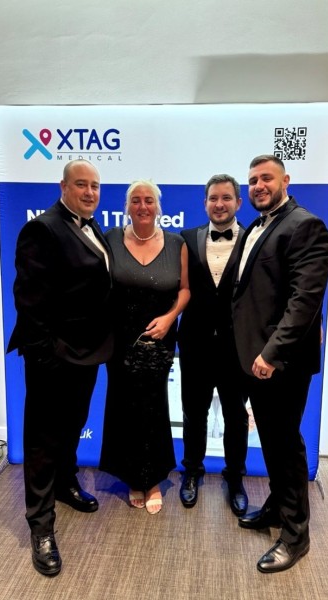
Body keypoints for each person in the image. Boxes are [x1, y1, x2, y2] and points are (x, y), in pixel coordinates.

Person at [8, 159, 113, 576]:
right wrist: (44, 355)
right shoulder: (43, 228)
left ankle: (67, 484)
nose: (89, 192)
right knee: (41, 441)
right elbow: (29, 302)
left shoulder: (92, 225)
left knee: (73, 425)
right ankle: (41, 526)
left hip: (86, 354)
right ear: (63, 186)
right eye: (81, 185)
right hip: (53, 357)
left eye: (95, 186)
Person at [232, 155, 328, 573]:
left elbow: (304, 301)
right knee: (273, 442)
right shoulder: (257, 226)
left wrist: (271, 354)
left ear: (285, 181)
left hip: (281, 362)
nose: (258, 185)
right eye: (252, 180)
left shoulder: (304, 225)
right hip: (254, 359)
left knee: (286, 446)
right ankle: (276, 507)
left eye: (266, 178)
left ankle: (295, 536)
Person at [99, 180, 190, 514]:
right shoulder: (110, 239)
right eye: (135, 200)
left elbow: (185, 290)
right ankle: (132, 478)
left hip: (159, 339)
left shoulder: (176, 242)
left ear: (157, 205)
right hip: (119, 340)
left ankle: (151, 479)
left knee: (153, 408)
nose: (142, 206)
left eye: (148, 200)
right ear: (127, 206)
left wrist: (169, 318)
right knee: (124, 407)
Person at [177, 174, 249, 516]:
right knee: (194, 413)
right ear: (204, 203)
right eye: (213, 198)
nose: (219, 204)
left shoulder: (254, 239)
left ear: (239, 202)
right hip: (195, 344)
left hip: (238, 347)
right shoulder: (185, 238)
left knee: (236, 416)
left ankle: (234, 478)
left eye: (226, 198)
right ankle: (191, 472)